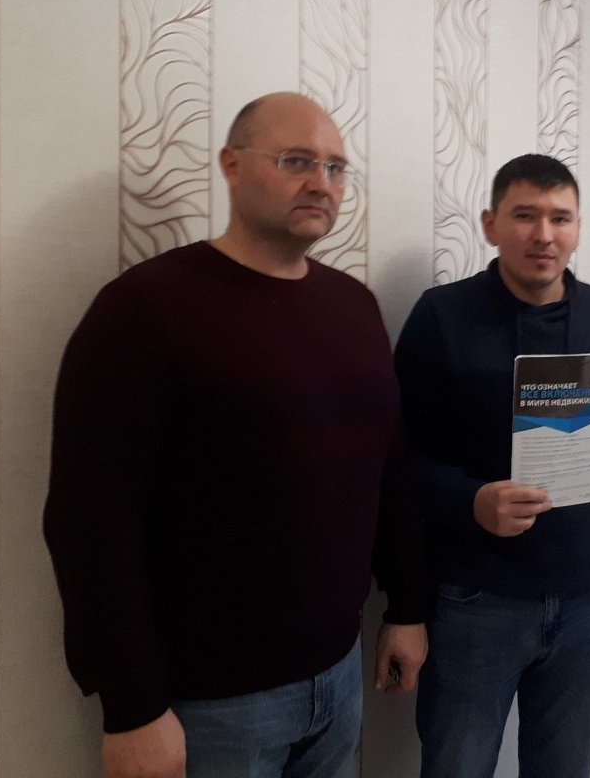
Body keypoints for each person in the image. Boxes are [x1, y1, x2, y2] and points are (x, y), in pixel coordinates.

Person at [43, 92, 428, 778]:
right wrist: (131, 706)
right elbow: (89, 517)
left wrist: (407, 605)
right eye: (296, 161)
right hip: (210, 704)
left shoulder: (355, 306)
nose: (321, 183)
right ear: (231, 164)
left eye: (336, 168)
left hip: (340, 677)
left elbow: (387, 469)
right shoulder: (146, 307)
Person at [393, 153, 590, 778]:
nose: (544, 235)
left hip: (588, 599)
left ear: (577, 228)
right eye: (524, 216)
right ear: (490, 224)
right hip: (476, 599)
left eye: (560, 218)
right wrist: (471, 501)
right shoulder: (441, 317)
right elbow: (399, 463)